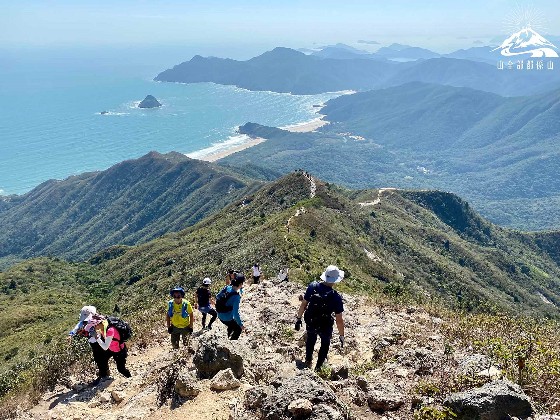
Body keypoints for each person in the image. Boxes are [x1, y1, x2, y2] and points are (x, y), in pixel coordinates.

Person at [295, 265, 345, 371]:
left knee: (311, 339)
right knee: (325, 344)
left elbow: (304, 304)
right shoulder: (336, 297)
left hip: (311, 320)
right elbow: (339, 320)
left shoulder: (313, 286)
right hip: (325, 324)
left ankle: (308, 360)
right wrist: (341, 335)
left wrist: (298, 319)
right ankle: (318, 368)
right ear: (335, 280)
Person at [67, 306, 108, 381]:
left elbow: (104, 327)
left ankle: (104, 374)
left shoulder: (98, 320)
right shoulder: (84, 322)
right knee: (98, 358)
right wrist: (70, 334)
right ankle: (103, 373)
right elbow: (76, 327)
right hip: (93, 342)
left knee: (101, 357)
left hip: (99, 341)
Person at [216, 274, 245, 340]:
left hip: (219, 314)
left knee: (231, 325)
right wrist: (241, 325)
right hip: (227, 318)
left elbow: (217, 296)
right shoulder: (236, 297)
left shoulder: (227, 287)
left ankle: (228, 336)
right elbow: (235, 314)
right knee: (238, 329)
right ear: (240, 284)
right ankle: (231, 343)